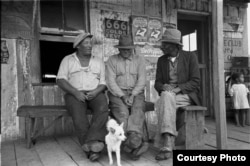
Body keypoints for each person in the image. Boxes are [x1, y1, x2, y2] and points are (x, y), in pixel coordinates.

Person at [56, 32, 109, 161]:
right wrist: (75, 92)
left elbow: (103, 82)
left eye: (90, 43)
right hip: (74, 94)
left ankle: (90, 142)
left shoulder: (98, 61)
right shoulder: (68, 60)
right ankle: (92, 150)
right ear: (78, 46)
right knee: (79, 115)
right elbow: (60, 80)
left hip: (95, 93)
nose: (89, 45)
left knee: (103, 108)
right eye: (86, 43)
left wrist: (96, 92)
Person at [154, 28, 201, 160]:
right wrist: (163, 86)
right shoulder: (161, 60)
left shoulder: (190, 57)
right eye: (163, 44)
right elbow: (157, 82)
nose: (162, 46)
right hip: (168, 95)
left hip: (186, 94)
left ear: (175, 45)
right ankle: (168, 141)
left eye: (165, 44)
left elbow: (195, 81)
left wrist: (178, 89)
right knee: (165, 97)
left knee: (163, 102)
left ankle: (165, 142)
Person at [106, 35, 149, 160]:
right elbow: (110, 82)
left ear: (132, 49)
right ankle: (135, 143)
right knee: (123, 113)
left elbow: (142, 80)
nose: (126, 51)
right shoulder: (112, 60)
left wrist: (133, 94)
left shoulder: (139, 60)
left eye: (129, 49)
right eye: (123, 49)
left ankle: (131, 141)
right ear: (119, 49)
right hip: (117, 93)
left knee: (137, 110)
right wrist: (123, 96)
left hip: (136, 93)